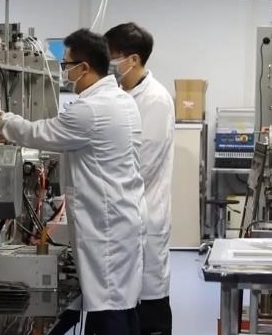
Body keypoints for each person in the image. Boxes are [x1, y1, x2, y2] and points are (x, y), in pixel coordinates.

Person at [0, 29, 145, 335]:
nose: (65, 72)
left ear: (85, 67)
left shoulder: (90, 109)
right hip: (122, 220)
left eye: (66, 65)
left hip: (105, 228)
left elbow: (40, 133)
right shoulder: (121, 100)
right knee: (119, 305)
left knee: (109, 309)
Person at [105, 23, 175, 335]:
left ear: (132, 59)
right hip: (122, 217)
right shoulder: (121, 95)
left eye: (111, 56)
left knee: (148, 310)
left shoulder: (156, 100)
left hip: (145, 218)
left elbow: (141, 164)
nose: (107, 63)